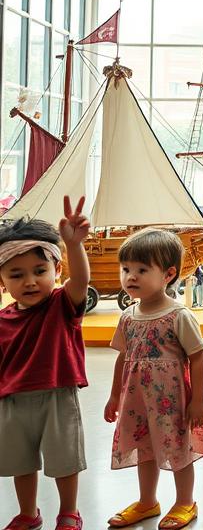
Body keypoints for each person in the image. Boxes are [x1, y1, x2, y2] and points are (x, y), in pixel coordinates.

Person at [105, 229, 203, 530]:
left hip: (172, 401)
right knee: (144, 448)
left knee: (179, 449)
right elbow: (123, 357)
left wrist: (197, 402)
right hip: (137, 399)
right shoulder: (128, 317)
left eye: (141, 269)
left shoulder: (179, 315)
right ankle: (147, 501)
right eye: (126, 269)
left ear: (168, 274)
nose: (131, 277)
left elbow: (198, 358)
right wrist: (114, 396)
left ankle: (185, 501)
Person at [0, 197, 91, 530]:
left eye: (40, 271)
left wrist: (73, 244)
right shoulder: (3, 319)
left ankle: (69, 511)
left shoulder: (61, 305)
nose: (30, 281)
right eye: (16, 274)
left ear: (57, 270)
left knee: (64, 460)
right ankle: (28, 512)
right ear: (2, 281)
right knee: (20, 462)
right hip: (12, 399)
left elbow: (80, 282)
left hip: (57, 395)